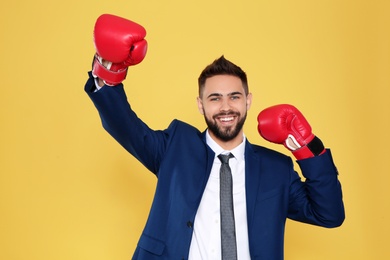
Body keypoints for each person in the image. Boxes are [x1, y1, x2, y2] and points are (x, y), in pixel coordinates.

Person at [85, 14, 345, 260]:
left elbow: (329, 214)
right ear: (200, 105)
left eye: (234, 96)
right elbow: (126, 127)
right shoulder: (175, 147)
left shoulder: (276, 168)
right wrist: (109, 70)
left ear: (248, 101)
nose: (226, 107)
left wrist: (306, 147)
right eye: (215, 98)